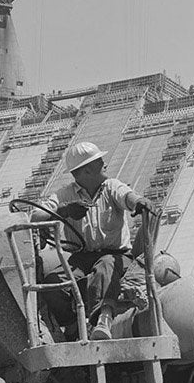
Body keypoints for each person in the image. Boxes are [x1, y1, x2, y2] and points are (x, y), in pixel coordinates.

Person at [32, 141, 153, 340]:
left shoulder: (111, 187)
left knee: (105, 265)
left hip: (116, 255)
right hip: (82, 258)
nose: (105, 164)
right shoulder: (65, 194)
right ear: (86, 170)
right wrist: (64, 210)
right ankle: (73, 325)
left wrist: (138, 203)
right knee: (53, 282)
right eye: (99, 161)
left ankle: (104, 319)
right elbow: (36, 216)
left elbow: (127, 196)